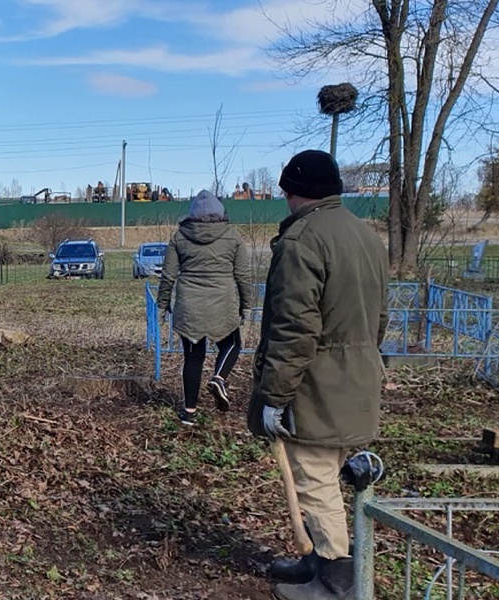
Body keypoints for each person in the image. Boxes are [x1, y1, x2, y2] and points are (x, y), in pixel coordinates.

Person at [247, 150, 388, 600]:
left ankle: (336, 580)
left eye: (286, 192)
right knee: (328, 472)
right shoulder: (364, 235)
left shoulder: (302, 241)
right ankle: (318, 560)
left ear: (294, 192)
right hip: (358, 376)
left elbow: (295, 328)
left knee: (314, 477)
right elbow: (380, 317)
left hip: (315, 383)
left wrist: (274, 395)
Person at [156, 189, 252, 426]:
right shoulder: (233, 236)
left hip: (190, 305)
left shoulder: (179, 237)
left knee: (193, 357)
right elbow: (243, 275)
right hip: (223, 303)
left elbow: (168, 275)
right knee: (232, 344)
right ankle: (219, 377)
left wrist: (162, 305)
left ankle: (189, 412)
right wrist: (247, 306)